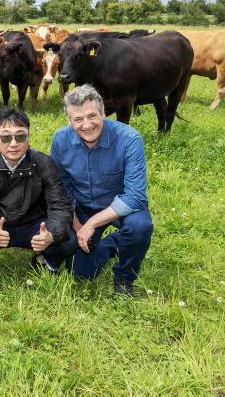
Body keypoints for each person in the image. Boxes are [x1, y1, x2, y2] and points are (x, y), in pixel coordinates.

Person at [49, 85, 154, 296]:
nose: (86, 124)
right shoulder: (60, 140)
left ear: (103, 113)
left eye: (92, 116)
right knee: (81, 273)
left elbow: (134, 195)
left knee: (140, 226)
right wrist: (79, 228)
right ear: (69, 121)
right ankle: (113, 244)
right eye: (78, 119)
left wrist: (92, 223)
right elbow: (62, 189)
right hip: (83, 207)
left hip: (120, 205)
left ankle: (124, 278)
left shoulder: (130, 139)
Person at [0, 107, 76, 276]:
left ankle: (46, 262)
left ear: (29, 137)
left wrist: (50, 234)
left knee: (68, 240)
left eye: (20, 136)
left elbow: (60, 206)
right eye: (6, 137)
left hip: (35, 224)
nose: (13, 143)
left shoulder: (44, 163)